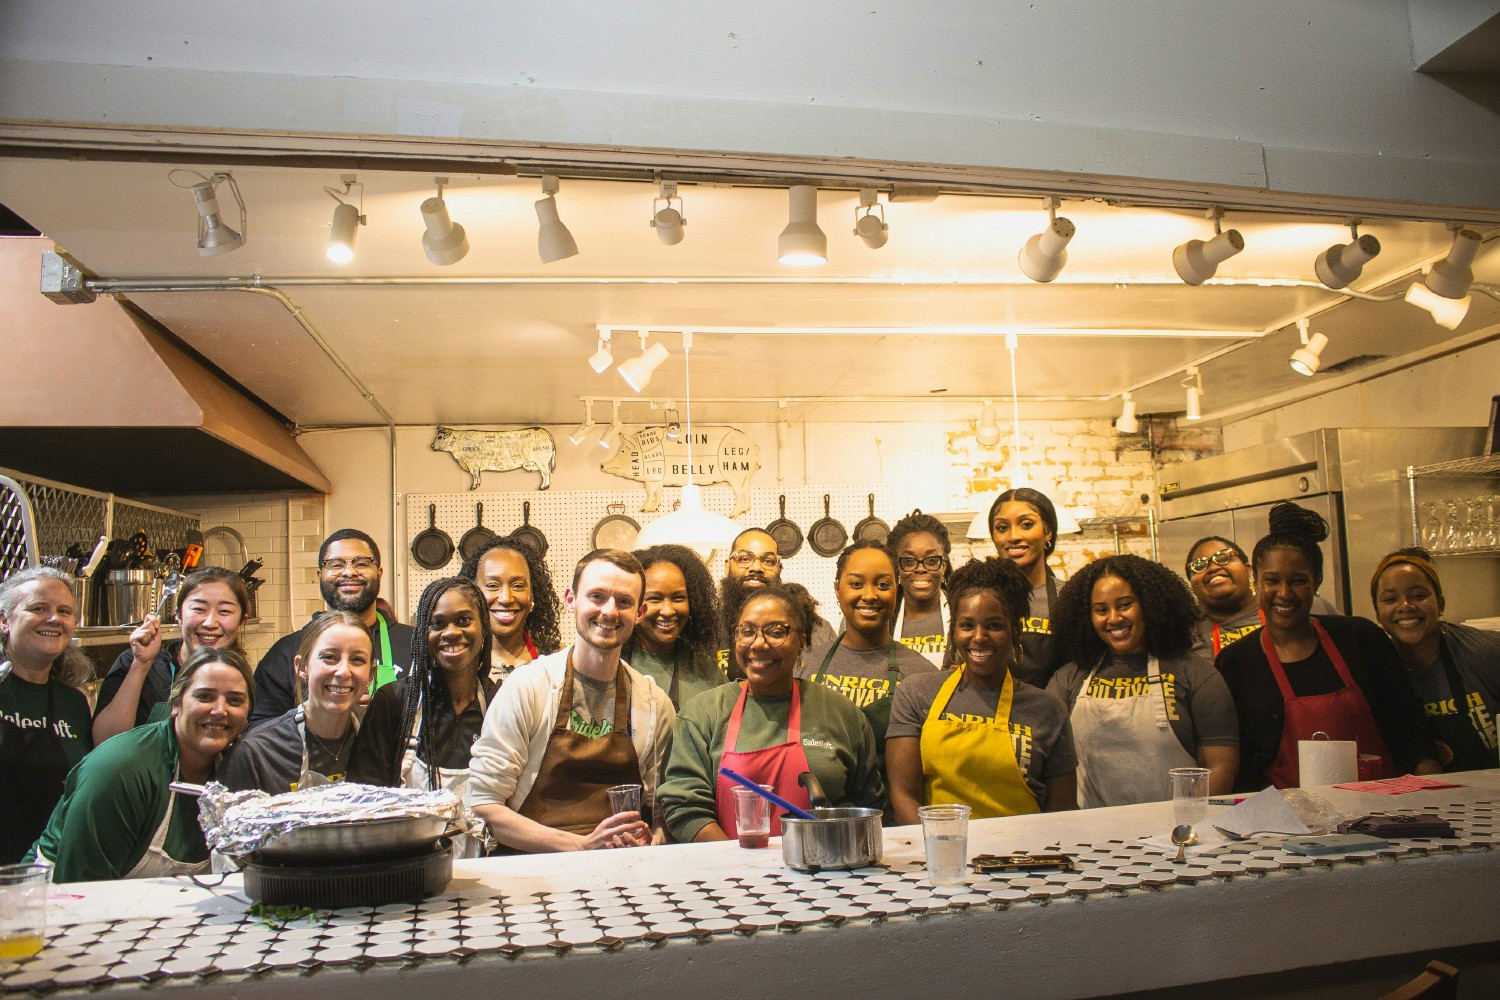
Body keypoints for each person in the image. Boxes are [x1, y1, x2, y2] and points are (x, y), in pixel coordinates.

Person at [1216, 503, 1440, 790]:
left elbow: (1409, 727)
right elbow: (1243, 766)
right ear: (1256, 581)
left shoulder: (1360, 638)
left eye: (1298, 581)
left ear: (1317, 581)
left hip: (1384, 809)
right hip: (1286, 822)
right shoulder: (1236, 662)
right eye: (1272, 580)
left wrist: (1432, 790)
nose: (1284, 593)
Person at [467, 550, 676, 853]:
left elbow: (662, 810)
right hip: (530, 871)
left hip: (620, 871)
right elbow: (483, 805)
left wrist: (652, 841)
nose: (609, 611)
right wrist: (582, 845)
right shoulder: (527, 688)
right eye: (597, 596)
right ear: (570, 600)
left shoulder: (654, 704)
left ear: (640, 613)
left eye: (624, 602)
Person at [657, 586, 883, 842]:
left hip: (827, 868)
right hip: (730, 875)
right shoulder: (703, 714)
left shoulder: (841, 713)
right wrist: (744, 867)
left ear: (802, 641)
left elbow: (869, 804)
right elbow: (684, 808)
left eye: (777, 632)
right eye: (747, 631)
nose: (759, 643)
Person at [29, 646, 252, 882]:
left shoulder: (235, 770)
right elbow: (81, 885)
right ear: (176, 704)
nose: (220, 710)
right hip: (54, 903)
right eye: (204, 696)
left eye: (235, 700)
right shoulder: (121, 768)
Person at [887, 558, 1077, 824]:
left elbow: (1063, 812)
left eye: (994, 626)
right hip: (944, 853)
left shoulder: (1048, 709)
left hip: (1025, 854)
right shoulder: (916, 694)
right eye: (967, 625)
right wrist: (940, 851)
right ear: (953, 631)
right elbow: (904, 797)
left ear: (1015, 631)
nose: (978, 637)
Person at [1048, 554, 1240, 804]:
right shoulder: (1069, 679)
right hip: (1092, 835)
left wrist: (1186, 825)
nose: (1114, 618)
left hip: (1173, 834)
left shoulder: (1194, 674)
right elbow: (1050, 767)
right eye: (1101, 610)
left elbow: (1220, 767)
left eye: (1125, 605)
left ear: (1149, 605)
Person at [347, 577, 495, 855]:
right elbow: (365, 803)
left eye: (464, 620)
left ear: (484, 629)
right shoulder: (394, 703)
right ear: (422, 635)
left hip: (487, 871)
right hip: (409, 869)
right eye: (437, 624)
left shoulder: (500, 703)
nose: (451, 632)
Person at [252, 529, 415, 725]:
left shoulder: (416, 643)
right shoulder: (287, 651)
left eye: (361, 563)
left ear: (379, 573)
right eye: (335, 564)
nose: (349, 572)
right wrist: (315, 715)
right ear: (320, 575)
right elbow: (258, 728)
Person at [796, 541, 937, 759]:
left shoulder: (923, 674)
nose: (869, 595)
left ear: (896, 592)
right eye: (856, 584)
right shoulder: (804, 665)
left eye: (882, 585)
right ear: (837, 590)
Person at [1370, 547, 1499, 772]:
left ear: (1440, 604)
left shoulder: (1484, 653)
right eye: (1390, 599)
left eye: (1419, 596)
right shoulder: (1375, 671)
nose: (1406, 606)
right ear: (1377, 613)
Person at [92, 566, 251, 743]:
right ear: (178, 614)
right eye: (199, 609)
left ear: (241, 622)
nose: (210, 623)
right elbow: (105, 742)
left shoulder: (241, 680)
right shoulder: (136, 663)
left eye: (224, 612)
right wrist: (141, 665)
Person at [218, 612, 372, 793]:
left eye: (357, 660)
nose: (343, 672)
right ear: (302, 668)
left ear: (370, 674)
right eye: (329, 657)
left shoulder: (379, 741)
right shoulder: (257, 753)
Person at [0, 567, 94, 863]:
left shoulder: (74, 703)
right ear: (4, 620)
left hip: (48, 871)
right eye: (38, 608)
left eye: (64, 611)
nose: (54, 619)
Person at [623, 544, 726, 709]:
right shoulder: (613, 664)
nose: (668, 611)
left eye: (678, 598)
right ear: (633, 603)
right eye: (655, 598)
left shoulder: (707, 671)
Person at [459, 534, 564, 687]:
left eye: (518, 586)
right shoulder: (456, 659)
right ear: (472, 592)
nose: (506, 598)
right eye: (492, 585)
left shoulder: (557, 658)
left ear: (532, 594)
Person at [989, 487, 1064, 687]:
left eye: (1026, 524)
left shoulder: (1068, 596)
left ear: (1047, 532)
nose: (1013, 536)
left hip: (1055, 711)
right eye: (1002, 528)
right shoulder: (980, 598)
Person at [886, 510, 952, 667]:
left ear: (943, 566)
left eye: (930, 560)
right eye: (909, 561)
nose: (921, 568)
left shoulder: (963, 612)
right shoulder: (884, 619)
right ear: (897, 568)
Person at [1184, 536, 1263, 657]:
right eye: (1199, 565)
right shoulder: (1183, 633)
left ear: (1248, 570)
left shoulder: (1279, 612)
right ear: (1191, 584)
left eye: (1223, 557)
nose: (1213, 568)